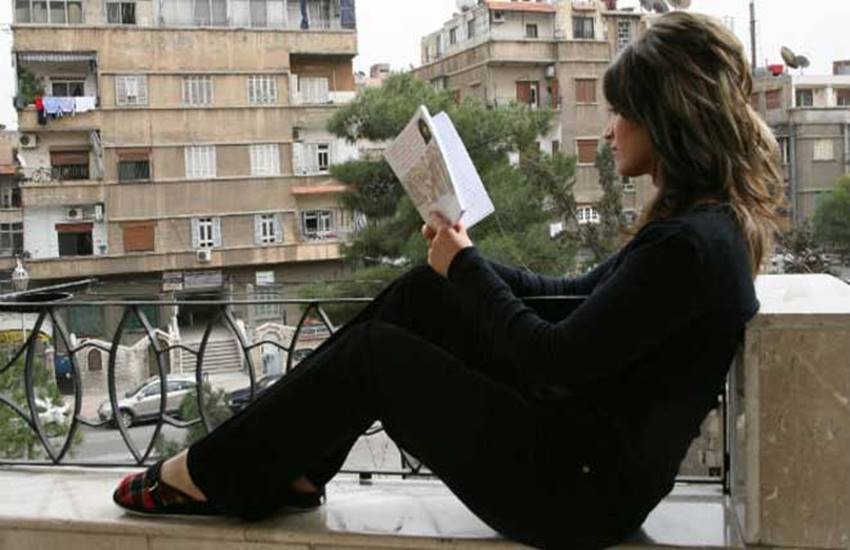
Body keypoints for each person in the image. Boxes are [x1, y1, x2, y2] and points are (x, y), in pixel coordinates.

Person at [112, 11, 784, 549]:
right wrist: (460, 259)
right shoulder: (697, 229)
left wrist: (466, 267)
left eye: (620, 112)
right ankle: (298, 470)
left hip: (576, 495)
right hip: (579, 459)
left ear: (664, 119)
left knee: (378, 356)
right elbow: (574, 297)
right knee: (424, 293)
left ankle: (213, 474)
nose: (608, 131)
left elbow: (556, 358)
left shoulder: (689, 246)